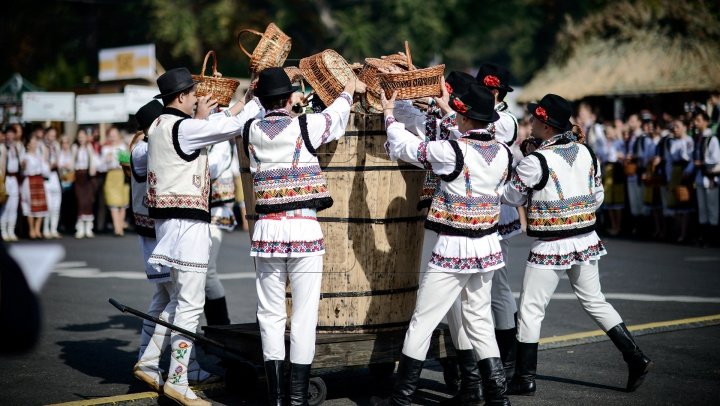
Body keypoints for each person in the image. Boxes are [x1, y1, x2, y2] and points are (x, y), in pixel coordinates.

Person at [502, 94, 652, 396]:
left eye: (534, 119)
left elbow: (511, 197)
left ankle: (525, 377)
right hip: (585, 239)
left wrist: (527, 170)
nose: (529, 123)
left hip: (551, 245)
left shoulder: (536, 161)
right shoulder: (585, 151)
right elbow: (597, 197)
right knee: (595, 301)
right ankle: (635, 356)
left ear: (545, 124)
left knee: (531, 310)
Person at [373, 84, 512, 406]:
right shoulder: (502, 150)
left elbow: (411, 149)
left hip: (454, 248)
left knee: (423, 320)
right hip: (487, 247)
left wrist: (390, 116)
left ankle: (402, 397)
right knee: (479, 320)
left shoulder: (453, 151)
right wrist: (449, 112)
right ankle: (497, 397)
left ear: (463, 117)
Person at [242, 67, 360, 406]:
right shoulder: (305, 125)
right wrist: (348, 91)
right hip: (304, 229)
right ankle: (296, 397)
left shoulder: (250, 128)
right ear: (289, 97)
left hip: (267, 231)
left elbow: (248, 109)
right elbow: (337, 117)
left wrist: (253, 94)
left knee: (270, 313)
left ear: (262, 99)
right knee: (305, 313)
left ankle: (277, 397)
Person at [146, 67, 257, 406]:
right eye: (194, 94)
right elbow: (227, 128)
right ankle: (179, 380)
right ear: (180, 98)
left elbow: (213, 126)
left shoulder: (158, 125)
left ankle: (149, 362)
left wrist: (233, 106)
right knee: (190, 304)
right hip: (187, 225)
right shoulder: (183, 127)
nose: (198, 98)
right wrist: (253, 102)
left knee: (176, 301)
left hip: (168, 224)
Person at [391, 70, 485, 405]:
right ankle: (472, 386)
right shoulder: (472, 133)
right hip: (480, 235)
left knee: (439, 313)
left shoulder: (447, 132)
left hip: (453, 229)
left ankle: (410, 394)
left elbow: (407, 131)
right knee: (465, 311)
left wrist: (394, 105)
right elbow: (419, 117)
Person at [476, 62, 521, 383]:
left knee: (498, 286)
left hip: (493, 205)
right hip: (475, 204)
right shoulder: (483, 112)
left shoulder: (505, 120)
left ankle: (508, 355)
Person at [204, 139, 235, 326]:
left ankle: (221, 326)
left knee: (207, 271)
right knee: (199, 271)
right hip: (197, 209)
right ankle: (215, 327)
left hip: (216, 209)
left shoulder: (220, 139)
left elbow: (212, 169)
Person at [663, 119, 694, 243]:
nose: (675, 129)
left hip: (685, 172)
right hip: (675, 172)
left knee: (684, 202)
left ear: (685, 127)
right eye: (673, 127)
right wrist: (669, 177)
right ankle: (677, 231)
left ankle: (684, 233)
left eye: (677, 126)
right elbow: (669, 161)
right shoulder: (672, 142)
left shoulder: (689, 141)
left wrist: (688, 171)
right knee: (675, 203)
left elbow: (691, 158)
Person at [692, 110, 720, 246]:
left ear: (706, 121)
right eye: (695, 120)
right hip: (699, 178)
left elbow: (716, 160)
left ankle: (713, 237)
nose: (696, 123)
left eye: (698, 120)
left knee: (712, 207)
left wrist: (702, 164)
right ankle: (703, 236)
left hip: (710, 178)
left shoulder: (712, 139)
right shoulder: (698, 139)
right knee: (702, 208)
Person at [624, 114, 652, 235]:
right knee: (634, 201)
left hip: (639, 172)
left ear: (639, 122)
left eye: (632, 120)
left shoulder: (643, 138)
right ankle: (637, 227)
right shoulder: (631, 137)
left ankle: (644, 228)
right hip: (631, 173)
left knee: (641, 200)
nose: (630, 122)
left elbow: (647, 156)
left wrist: (635, 157)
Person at [101, 127, 130, 236]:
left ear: (118, 135)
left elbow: (128, 162)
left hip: (122, 175)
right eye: (111, 135)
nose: (113, 137)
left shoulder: (123, 147)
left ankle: (120, 226)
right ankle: (117, 228)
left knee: (123, 203)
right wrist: (106, 160)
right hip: (111, 175)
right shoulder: (105, 149)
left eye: (114, 134)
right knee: (113, 203)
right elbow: (100, 167)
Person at [72, 129, 97, 238]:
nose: (81, 138)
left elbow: (93, 160)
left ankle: (88, 227)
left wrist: (92, 171)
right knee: (80, 201)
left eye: (83, 136)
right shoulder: (75, 148)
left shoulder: (89, 147)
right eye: (79, 136)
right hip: (78, 176)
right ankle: (80, 227)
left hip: (88, 176)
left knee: (88, 201)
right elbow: (72, 161)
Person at [1, 126, 23, 242]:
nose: (10, 136)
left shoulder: (17, 148)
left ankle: (11, 230)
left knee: (13, 206)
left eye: (12, 134)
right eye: (8, 134)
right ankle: (3, 230)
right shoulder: (2, 148)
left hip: (14, 178)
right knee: (5, 206)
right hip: (5, 179)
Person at [43, 127, 63, 238]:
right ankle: (46, 229)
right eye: (50, 135)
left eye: (54, 136)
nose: (52, 138)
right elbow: (41, 164)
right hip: (47, 178)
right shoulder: (42, 147)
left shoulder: (56, 147)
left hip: (56, 178)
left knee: (56, 206)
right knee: (49, 206)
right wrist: (50, 166)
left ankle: (53, 229)